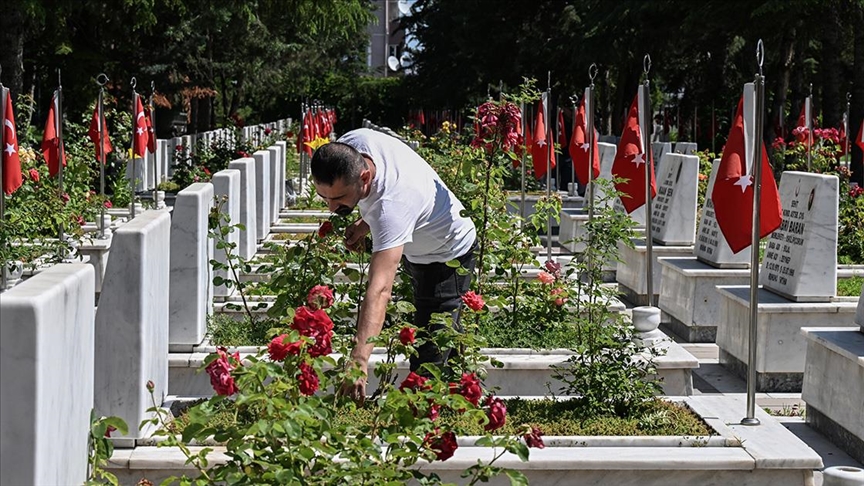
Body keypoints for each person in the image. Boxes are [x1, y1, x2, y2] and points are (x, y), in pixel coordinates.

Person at [310, 128, 477, 403]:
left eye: (338, 199)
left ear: (365, 177)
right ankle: (460, 385)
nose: (330, 207)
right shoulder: (354, 144)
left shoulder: (393, 207)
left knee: (429, 351)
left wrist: (359, 360)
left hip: (447, 256)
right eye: (323, 197)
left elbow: (379, 289)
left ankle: (422, 416)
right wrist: (366, 224)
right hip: (419, 245)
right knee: (442, 329)